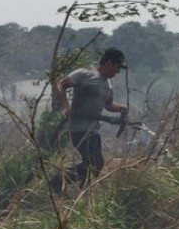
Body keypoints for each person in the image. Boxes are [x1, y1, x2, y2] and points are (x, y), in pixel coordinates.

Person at [51, 48, 128, 192]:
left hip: (93, 129)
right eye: (117, 68)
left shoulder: (109, 84)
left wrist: (122, 108)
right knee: (94, 162)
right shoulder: (85, 74)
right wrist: (66, 107)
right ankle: (58, 181)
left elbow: (108, 105)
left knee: (95, 165)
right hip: (78, 128)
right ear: (109, 63)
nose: (117, 72)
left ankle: (74, 189)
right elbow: (61, 85)